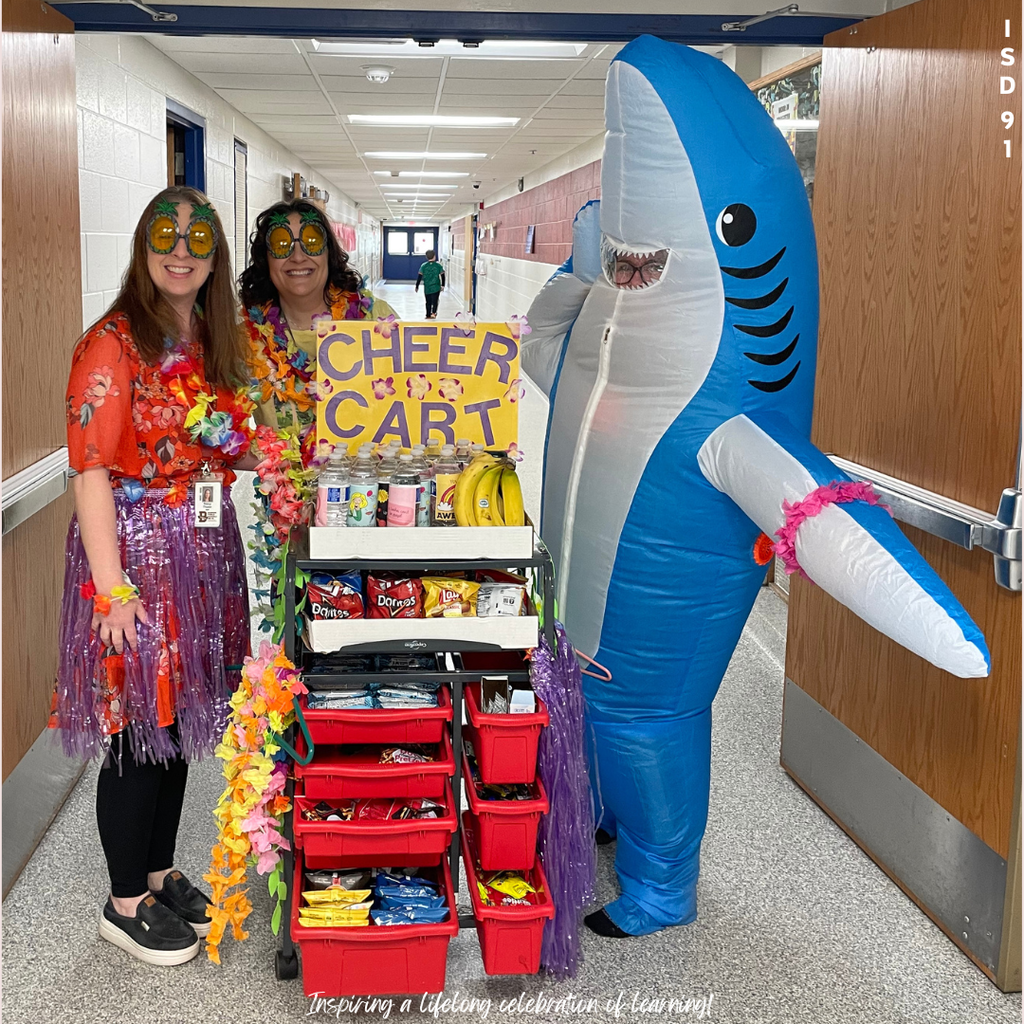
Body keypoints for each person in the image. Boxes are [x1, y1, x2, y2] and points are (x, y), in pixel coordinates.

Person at [54, 187, 255, 966]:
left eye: (198, 241)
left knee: (176, 723)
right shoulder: (110, 343)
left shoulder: (208, 336)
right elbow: (90, 470)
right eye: (166, 238)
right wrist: (112, 588)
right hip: (137, 554)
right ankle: (122, 901)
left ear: (214, 257)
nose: (182, 252)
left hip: (203, 547)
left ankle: (159, 870)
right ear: (142, 247)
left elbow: (226, 441)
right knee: (142, 724)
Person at [240, 199, 396, 468]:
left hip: (370, 495)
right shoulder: (244, 338)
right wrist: (277, 462)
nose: (298, 256)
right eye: (281, 244)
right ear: (265, 258)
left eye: (311, 242)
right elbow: (220, 438)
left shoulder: (373, 319)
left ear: (328, 252)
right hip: (286, 504)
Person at [415, 249, 445, 319]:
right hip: (436, 287)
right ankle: (434, 313)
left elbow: (419, 277)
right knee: (435, 301)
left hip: (427, 287)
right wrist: (443, 285)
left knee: (428, 301)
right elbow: (443, 276)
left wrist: (417, 286)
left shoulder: (423, 266)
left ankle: (428, 314)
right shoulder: (438, 265)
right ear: (434, 256)